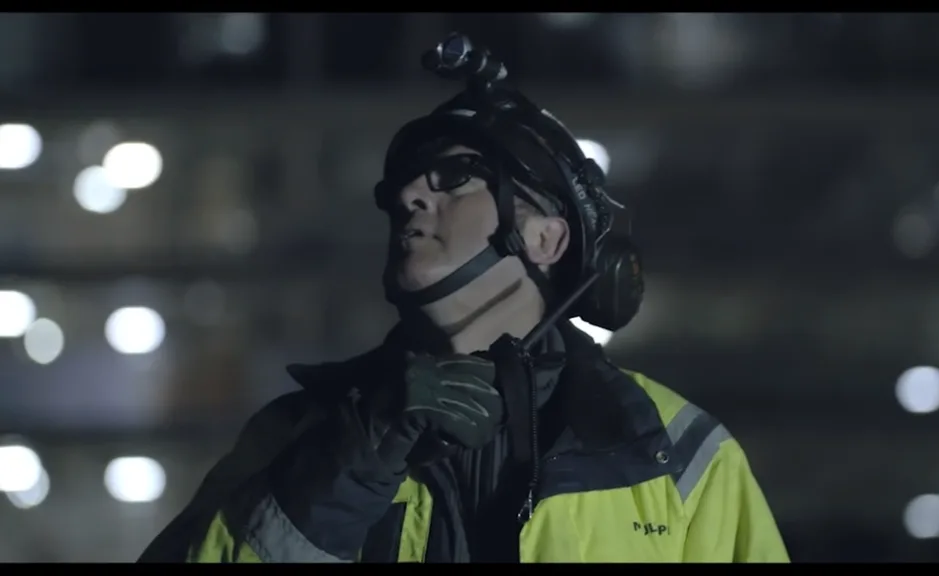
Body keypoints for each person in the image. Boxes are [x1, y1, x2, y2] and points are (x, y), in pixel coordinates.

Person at [139, 34, 789, 564]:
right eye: (403, 184)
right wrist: (347, 464)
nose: (408, 196)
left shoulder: (672, 454)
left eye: (453, 177)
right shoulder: (306, 432)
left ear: (546, 237)